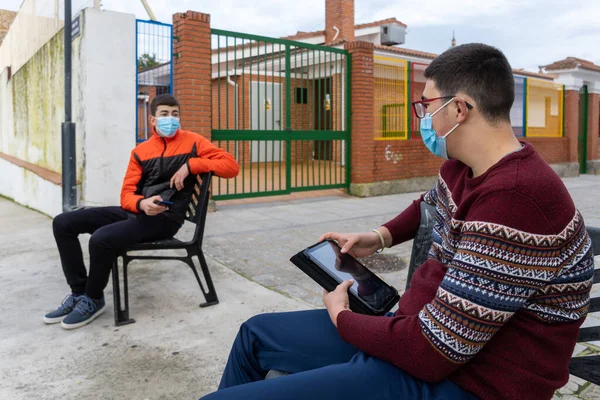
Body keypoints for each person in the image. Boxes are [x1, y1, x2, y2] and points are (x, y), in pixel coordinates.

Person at [200, 43, 594, 400]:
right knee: (255, 334)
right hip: (416, 332)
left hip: (471, 379)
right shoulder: (467, 167)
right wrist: (379, 236)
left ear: (458, 109)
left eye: (426, 105)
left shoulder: (517, 198)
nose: (423, 117)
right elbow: (431, 203)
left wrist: (343, 317)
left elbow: (432, 353)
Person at [44, 94, 239, 330]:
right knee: (63, 223)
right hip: (139, 212)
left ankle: (93, 299)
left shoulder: (194, 142)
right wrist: (141, 204)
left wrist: (192, 165)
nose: (171, 119)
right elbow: (126, 194)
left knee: (101, 239)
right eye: (164, 114)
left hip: (165, 219)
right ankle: (78, 293)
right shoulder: (141, 151)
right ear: (153, 120)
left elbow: (231, 166)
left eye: (175, 114)